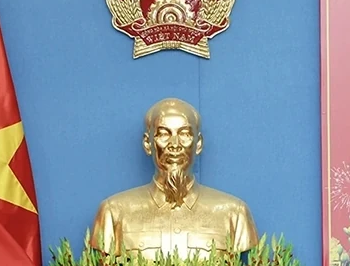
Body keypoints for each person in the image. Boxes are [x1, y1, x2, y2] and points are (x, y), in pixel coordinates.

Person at [91, 98, 257, 257]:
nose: (175, 145)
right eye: (163, 134)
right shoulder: (114, 212)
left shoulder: (234, 213)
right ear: (148, 144)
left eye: (184, 134)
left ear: (198, 144)